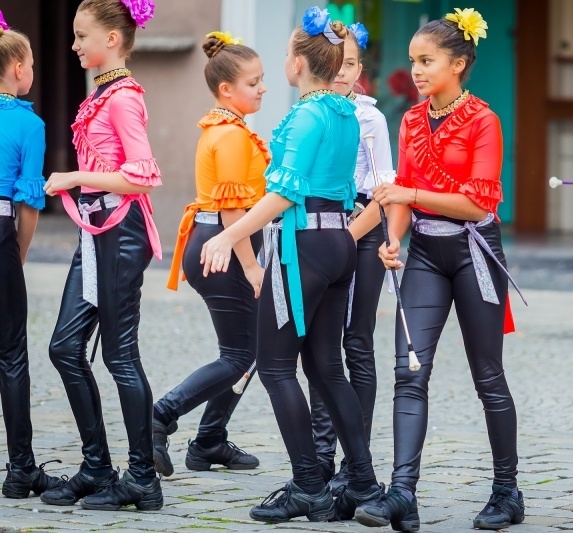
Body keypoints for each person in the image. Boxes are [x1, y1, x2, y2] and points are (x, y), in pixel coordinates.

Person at [199, 6, 381, 524]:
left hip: (302, 244)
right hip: (339, 242)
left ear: (298, 63)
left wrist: (230, 234)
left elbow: (284, 193)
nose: (283, 61)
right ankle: (362, 482)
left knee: (277, 366)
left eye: (285, 53)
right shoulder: (345, 112)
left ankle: (309, 486)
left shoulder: (307, 115)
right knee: (327, 367)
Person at [354, 8, 526, 531]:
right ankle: (402, 493)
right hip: (426, 253)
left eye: (427, 61)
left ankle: (507, 492)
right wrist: (393, 237)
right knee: (409, 372)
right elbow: (402, 197)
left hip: (474, 253)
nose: (417, 70)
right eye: (414, 61)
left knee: (488, 376)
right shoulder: (410, 120)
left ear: (458, 63)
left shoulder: (484, 121)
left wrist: (407, 194)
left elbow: (477, 204)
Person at [40, 0, 164, 511]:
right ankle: (96, 467)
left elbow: (144, 174)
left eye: (81, 35)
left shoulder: (123, 98)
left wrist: (74, 176)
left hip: (121, 232)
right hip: (96, 230)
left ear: (112, 39)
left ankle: (142, 478)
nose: (73, 45)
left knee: (119, 355)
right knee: (65, 348)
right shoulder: (103, 92)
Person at [155, 31, 267, 478]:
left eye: (261, 80)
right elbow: (232, 209)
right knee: (240, 355)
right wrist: (252, 266)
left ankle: (210, 440)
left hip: (216, 242)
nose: (262, 89)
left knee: (247, 352)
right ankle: (160, 416)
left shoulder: (223, 128)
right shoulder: (232, 136)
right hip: (226, 248)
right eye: (253, 83)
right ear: (226, 89)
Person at [308, 20, 396, 490]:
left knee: (356, 341)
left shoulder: (370, 119)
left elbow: (383, 193)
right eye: (336, 63)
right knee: (320, 344)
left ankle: (354, 461)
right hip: (321, 230)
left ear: (360, 70)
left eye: (351, 64)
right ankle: (321, 454)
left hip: (361, 231)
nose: (342, 72)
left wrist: (346, 236)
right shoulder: (311, 112)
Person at [0, 11, 65, 500]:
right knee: (10, 352)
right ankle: (21, 468)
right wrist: (17, 255)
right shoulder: (29, 123)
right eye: (34, 65)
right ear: (19, 68)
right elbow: (29, 202)